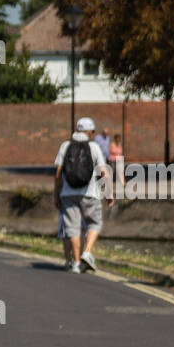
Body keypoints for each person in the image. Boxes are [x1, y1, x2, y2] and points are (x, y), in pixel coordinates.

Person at [53, 116, 111, 273]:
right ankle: (87, 252)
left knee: (72, 228)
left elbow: (58, 173)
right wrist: (108, 193)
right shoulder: (94, 147)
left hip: (68, 193)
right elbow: (103, 172)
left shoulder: (65, 146)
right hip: (90, 193)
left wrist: (56, 195)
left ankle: (77, 263)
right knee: (94, 223)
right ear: (90, 132)